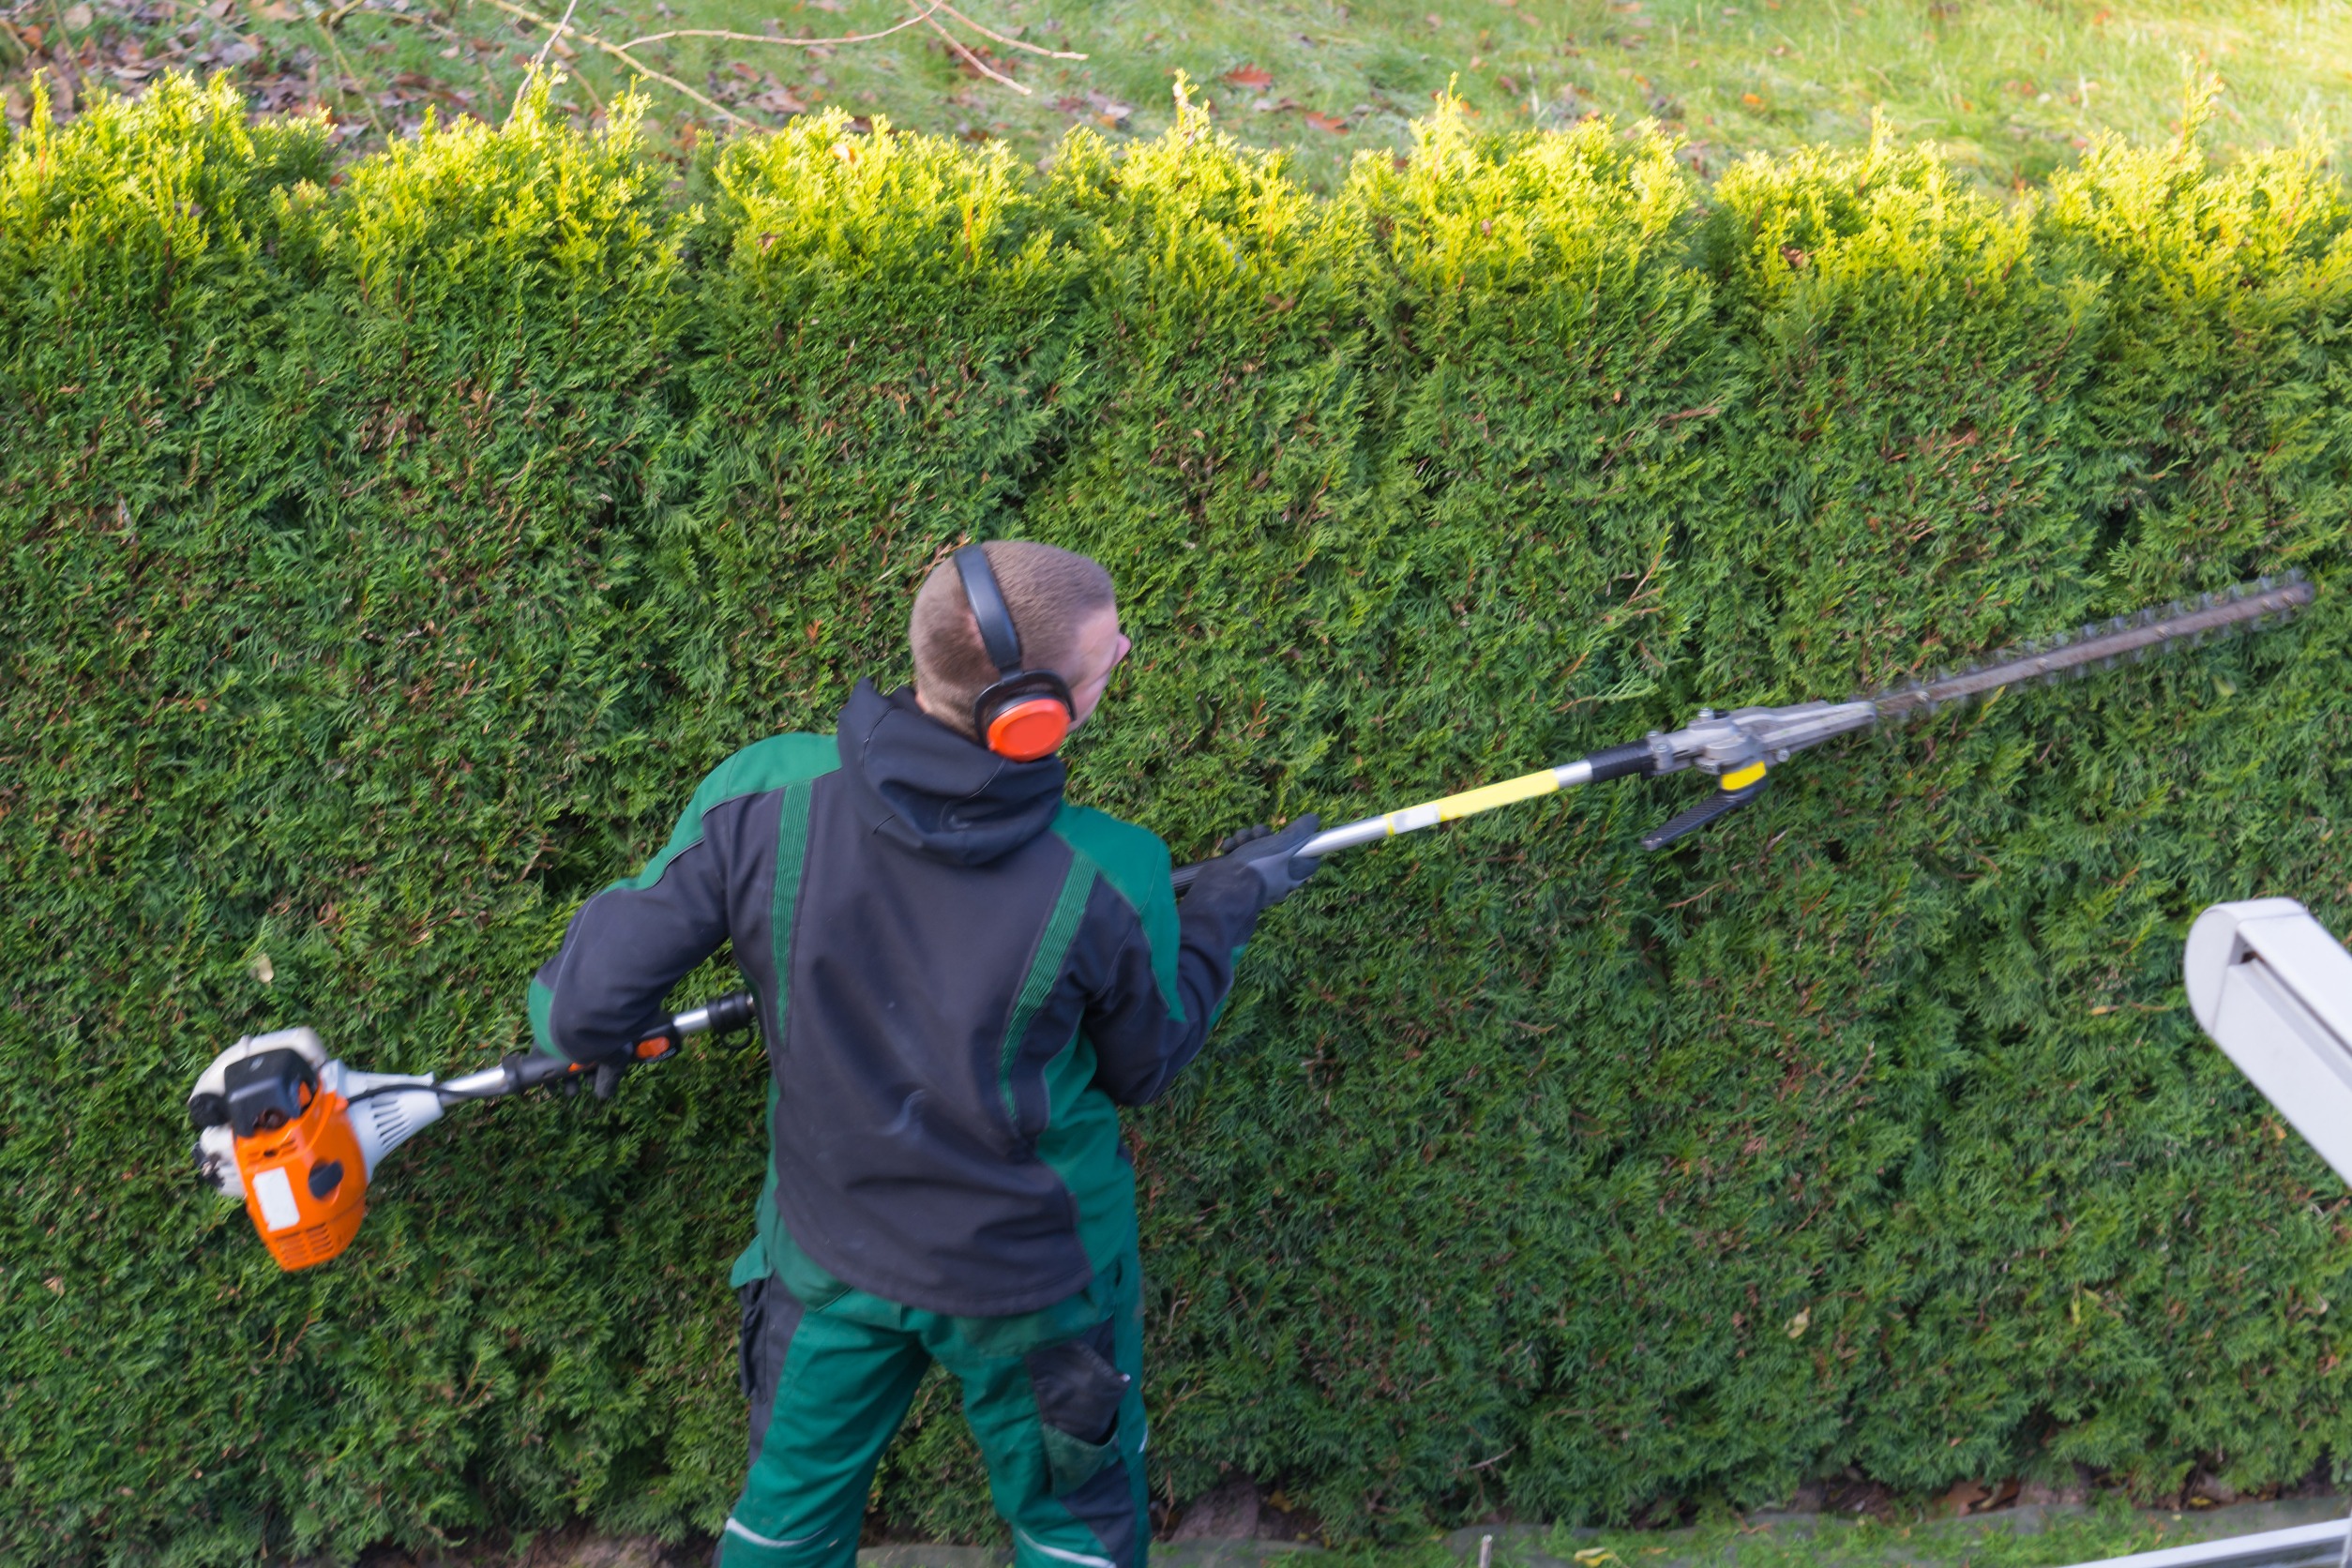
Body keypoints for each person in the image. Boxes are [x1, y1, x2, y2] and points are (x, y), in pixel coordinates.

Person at [524, 539, 1323, 1568]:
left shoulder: (764, 793)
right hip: (1037, 1286)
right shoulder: (1113, 872)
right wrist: (1225, 908)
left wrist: (593, 1033)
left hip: (826, 1259)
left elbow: (582, 1008)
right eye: (1105, 651)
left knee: (787, 1528)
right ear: (1035, 711)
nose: (1122, 648)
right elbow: (1145, 1064)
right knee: (1072, 1535)